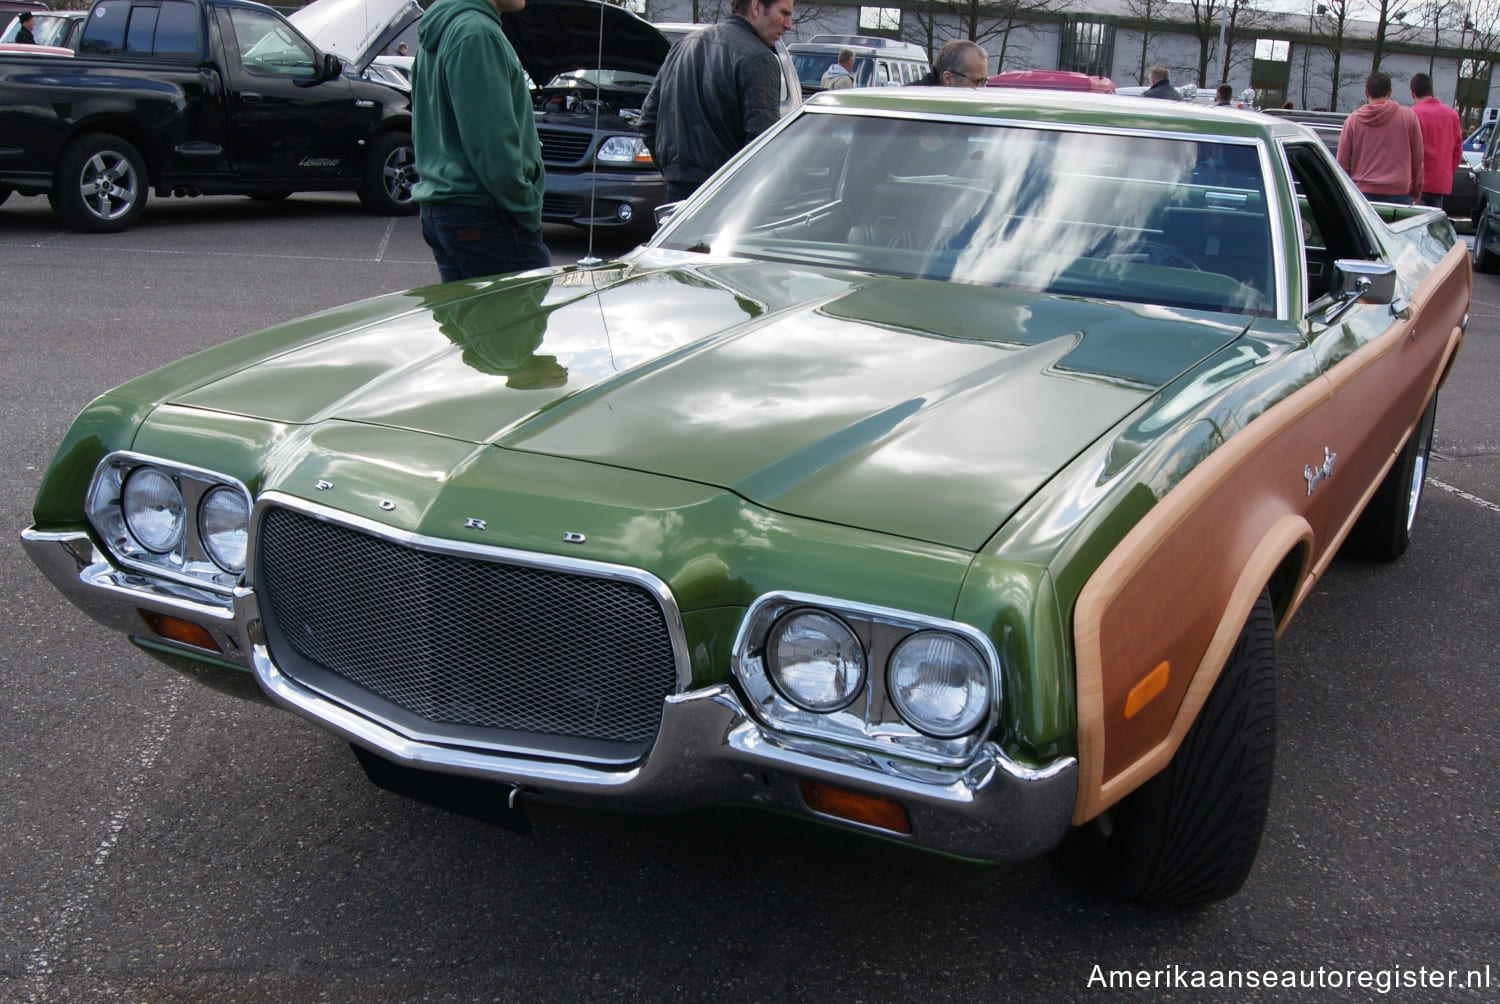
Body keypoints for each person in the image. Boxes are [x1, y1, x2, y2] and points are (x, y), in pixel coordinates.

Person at [410, 0, 550, 282]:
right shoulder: (477, 34)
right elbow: (492, 145)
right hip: (486, 213)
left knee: (471, 324)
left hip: (447, 208)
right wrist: (526, 207)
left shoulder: (448, 27)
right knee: (518, 323)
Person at [638, 0, 794, 204]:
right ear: (756, 7)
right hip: (726, 201)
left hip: (676, 195)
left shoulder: (684, 45)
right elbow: (761, 145)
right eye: (784, 13)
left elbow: (648, 121)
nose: (789, 24)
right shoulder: (758, 57)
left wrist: (676, 171)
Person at [1337, 71, 1423, 205]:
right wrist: (1416, 191)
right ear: (1389, 92)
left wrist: (1347, 191)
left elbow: (1342, 162)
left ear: (1366, 93)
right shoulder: (1408, 117)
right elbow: (1418, 159)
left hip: (1362, 192)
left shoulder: (1353, 121)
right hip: (1398, 192)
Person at [1410, 71, 1463, 210]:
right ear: (1431, 91)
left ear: (1413, 93)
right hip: (1440, 182)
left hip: (1416, 183)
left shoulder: (1412, 114)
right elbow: (1457, 151)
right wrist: (1446, 171)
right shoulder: (1452, 115)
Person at [913, 40, 988, 88]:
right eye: (978, 81)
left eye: (984, 82)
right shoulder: (912, 104)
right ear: (948, 79)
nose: (983, 89)